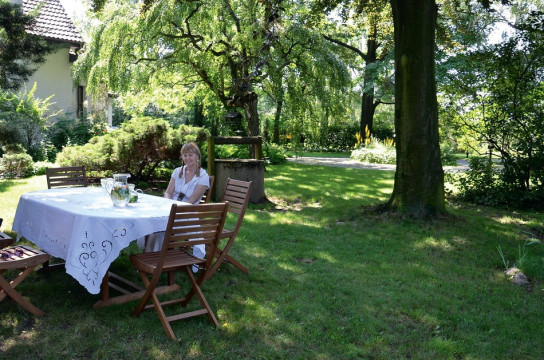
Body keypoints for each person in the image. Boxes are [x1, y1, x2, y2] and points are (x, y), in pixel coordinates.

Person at [138, 142, 210, 270]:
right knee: (151, 221)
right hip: (170, 208)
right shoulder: (178, 171)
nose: (187, 158)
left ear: (198, 156)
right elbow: (168, 192)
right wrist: (167, 203)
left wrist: (174, 209)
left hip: (187, 213)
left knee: (155, 225)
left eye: (190, 155)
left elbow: (192, 200)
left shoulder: (203, 177)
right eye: (185, 155)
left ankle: (149, 260)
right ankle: (149, 258)